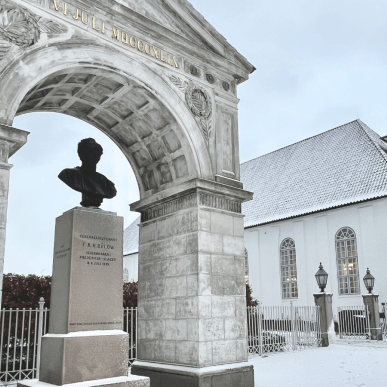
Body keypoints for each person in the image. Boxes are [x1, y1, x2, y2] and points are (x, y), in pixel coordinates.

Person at [58, 138, 117, 208]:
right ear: (81, 154)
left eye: (96, 151)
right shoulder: (68, 174)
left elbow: (111, 193)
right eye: (90, 151)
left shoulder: (106, 183)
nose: (94, 154)